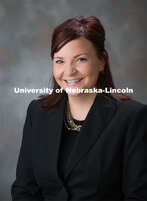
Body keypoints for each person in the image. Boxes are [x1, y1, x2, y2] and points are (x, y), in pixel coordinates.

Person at [11, 16, 146, 200]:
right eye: (59, 61)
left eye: (80, 59)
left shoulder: (132, 117)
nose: (69, 71)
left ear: (101, 61)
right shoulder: (37, 112)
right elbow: (24, 190)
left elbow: (138, 196)